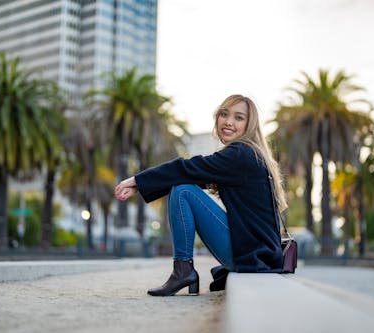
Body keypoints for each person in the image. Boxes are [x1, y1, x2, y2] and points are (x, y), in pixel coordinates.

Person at [114, 94, 287, 296]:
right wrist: (141, 185)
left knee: (182, 190)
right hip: (260, 253)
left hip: (252, 255)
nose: (229, 122)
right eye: (224, 114)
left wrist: (135, 180)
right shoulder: (252, 154)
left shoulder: (240, 154)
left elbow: (186, 168)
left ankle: (183, 270)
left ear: (249, 125)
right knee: (183, 185)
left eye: (239, 118)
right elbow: (193, 173)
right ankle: (184, 270)